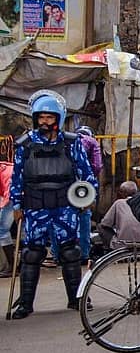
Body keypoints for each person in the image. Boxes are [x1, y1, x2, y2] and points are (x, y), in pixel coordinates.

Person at [9, 90, 99, 319]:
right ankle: (25, 304)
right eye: (41, 117)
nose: (45, 122)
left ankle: (76, 299)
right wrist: (16, 205)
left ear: (58, 118)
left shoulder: (71, 143)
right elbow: (17, 177)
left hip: (65, 206)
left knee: (70, 252)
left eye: (49, 117)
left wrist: (89, 198)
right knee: (31, 254)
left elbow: (86, 173)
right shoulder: (25, 145)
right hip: (35, 207)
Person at [76, 126, 103, 262]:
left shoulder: (68, 141)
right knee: (84, 216)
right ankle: (84, 254)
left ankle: (60, 254)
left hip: (68, 184)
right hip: (85, 185)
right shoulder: (93, 142)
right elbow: (97, 166)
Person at [99, 181, 140, 251]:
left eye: (121, 192)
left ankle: (110, 250)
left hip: (123, 244)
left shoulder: (119, 203)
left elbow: (105, 223)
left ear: (124, 193)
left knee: (101, 227)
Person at [0, 160, 13, 278]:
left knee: (2, 230)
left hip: (13, 196)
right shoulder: (4, 167)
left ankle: (11, 266)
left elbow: (7, 195)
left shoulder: (4, 170)